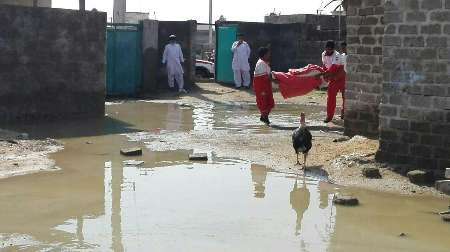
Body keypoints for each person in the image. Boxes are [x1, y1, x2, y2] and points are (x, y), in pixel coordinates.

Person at [316, 40, 345, 123]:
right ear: (325, 48)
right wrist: (324, 75)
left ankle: (344, 114)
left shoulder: (337, 55)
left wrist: (323, 74)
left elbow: (333, 67)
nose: (328, 51)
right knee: (331, 97)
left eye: (330, 50)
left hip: (341, 76)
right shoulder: (323, 54)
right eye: (327, 49)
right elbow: (325, 65)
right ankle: (329, 116)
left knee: (345, 97)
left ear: (333, 49)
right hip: (332, 77)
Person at [253, 47, 275, 125]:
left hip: (265, 85)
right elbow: (265, 77)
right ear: (264, 55)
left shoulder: (264, 63)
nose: (269, 55)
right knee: (264, 102)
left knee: (269, 102)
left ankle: (264, 117)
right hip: (261, 86)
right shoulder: (261, 63)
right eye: (268, 53)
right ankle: (265, 118)